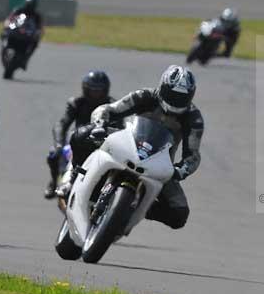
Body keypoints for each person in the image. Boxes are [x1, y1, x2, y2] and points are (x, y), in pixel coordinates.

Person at [57, 65, 203, 230]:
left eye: (181, 97)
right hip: (127, 145)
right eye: (172, 95)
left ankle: (136, 208)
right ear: (162, 87)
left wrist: (180, 171)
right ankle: (74, 177)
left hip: (159, 164)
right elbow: (107, 109)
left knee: (179, 214)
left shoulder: (193, 118)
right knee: (81, 136)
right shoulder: (145, 96)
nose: (176, 101)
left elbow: (193, 156)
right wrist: (99, 125)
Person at [44, 71, 113, 199]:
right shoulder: (76, 103)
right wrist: (59, 144)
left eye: (99, 91)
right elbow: (61, 124)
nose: (95, 94)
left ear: (105, 90)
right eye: (93, 90)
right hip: (76, 142)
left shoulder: (112, 106)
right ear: (85, 89)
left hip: (101, 145)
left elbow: (120, 129)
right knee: (53, 153)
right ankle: (54, 183)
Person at [8, 0, 43, 70]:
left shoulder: (36, 16)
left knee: (35, 42)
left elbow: (40, 28)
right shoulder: (19, 10)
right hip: (15, 32)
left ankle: (26, 59)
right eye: (28, 4)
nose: (29, 7)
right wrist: (8, 24)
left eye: (31, 5)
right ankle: (4, 48)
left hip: (27, 36)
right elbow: (10, 19)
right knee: (5, 33)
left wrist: (38, 33)